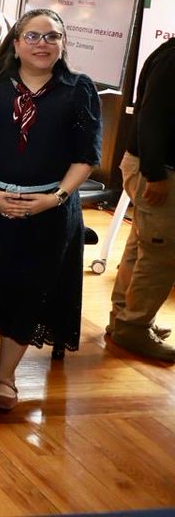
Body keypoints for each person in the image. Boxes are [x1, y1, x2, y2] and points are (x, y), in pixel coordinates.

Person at [0, 9, 100, 407]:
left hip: (48, 211)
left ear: (63, 44)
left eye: (52, 36)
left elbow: (86, 156)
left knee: (29, 291)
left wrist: (55, 198)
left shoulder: (78, 89)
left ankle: (6, 376)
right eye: (32, 36)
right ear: (15, 44)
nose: (42, 44)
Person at [109, 36, 175, 361]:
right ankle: (134, 327)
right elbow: (152, 117)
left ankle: (124, 320)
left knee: (143, 244)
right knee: (162, 253)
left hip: (156, 168)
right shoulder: (173, 58)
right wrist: (156, 174)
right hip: (159, 172)